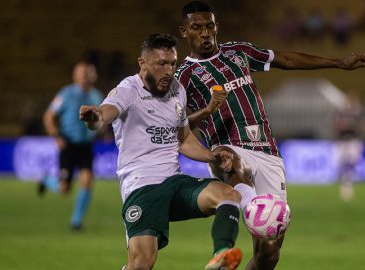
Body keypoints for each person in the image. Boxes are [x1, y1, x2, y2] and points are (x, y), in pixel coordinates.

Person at [176, 1, 365, 269]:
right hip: (228, 146)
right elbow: (179, 126)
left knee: (268, 255)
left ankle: (253, 221)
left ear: (216, 26)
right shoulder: (183, 77)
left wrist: (338, 63)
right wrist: (208, 109)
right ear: (184, 32)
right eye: (196, 27)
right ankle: (239, 222)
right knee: (230, 159)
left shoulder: (238, 52)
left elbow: (286, 59)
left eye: (209, 26)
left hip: (267, 153)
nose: (205, 32)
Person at [79, 33, 243, 270]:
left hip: (175, 182)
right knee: (142, 263)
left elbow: (183, 139)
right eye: (162, 64)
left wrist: (211, 156)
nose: (169, 71)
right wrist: (95, 118)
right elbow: (105, 114)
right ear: (142, 63)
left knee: (228, 195)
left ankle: (222, 256)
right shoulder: (128, 89)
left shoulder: (177, 90)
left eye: (173, 64)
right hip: (142, 186)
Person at [40, 61, 103, 231]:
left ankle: (76, 222)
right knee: (64, 189)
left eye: (88, 72)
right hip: (68, 144)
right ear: (75, 76)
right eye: (82, 72)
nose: (85, 76)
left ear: (94, 76)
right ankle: (47, 181)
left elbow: (101, 120)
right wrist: (56, 136)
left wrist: (103, 132)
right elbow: (48, 116)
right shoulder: (66, 94)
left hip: (86, 145)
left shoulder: (97, 96)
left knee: (87, 180)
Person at [334, 91, 365, 201]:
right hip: (341, 141)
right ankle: (344, 182)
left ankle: (349, 182)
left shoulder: (360, 112)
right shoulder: (341, 112)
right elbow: (335, 125)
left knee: (352, 162)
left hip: (354, 140)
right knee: (341, 162)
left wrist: (353, 125)